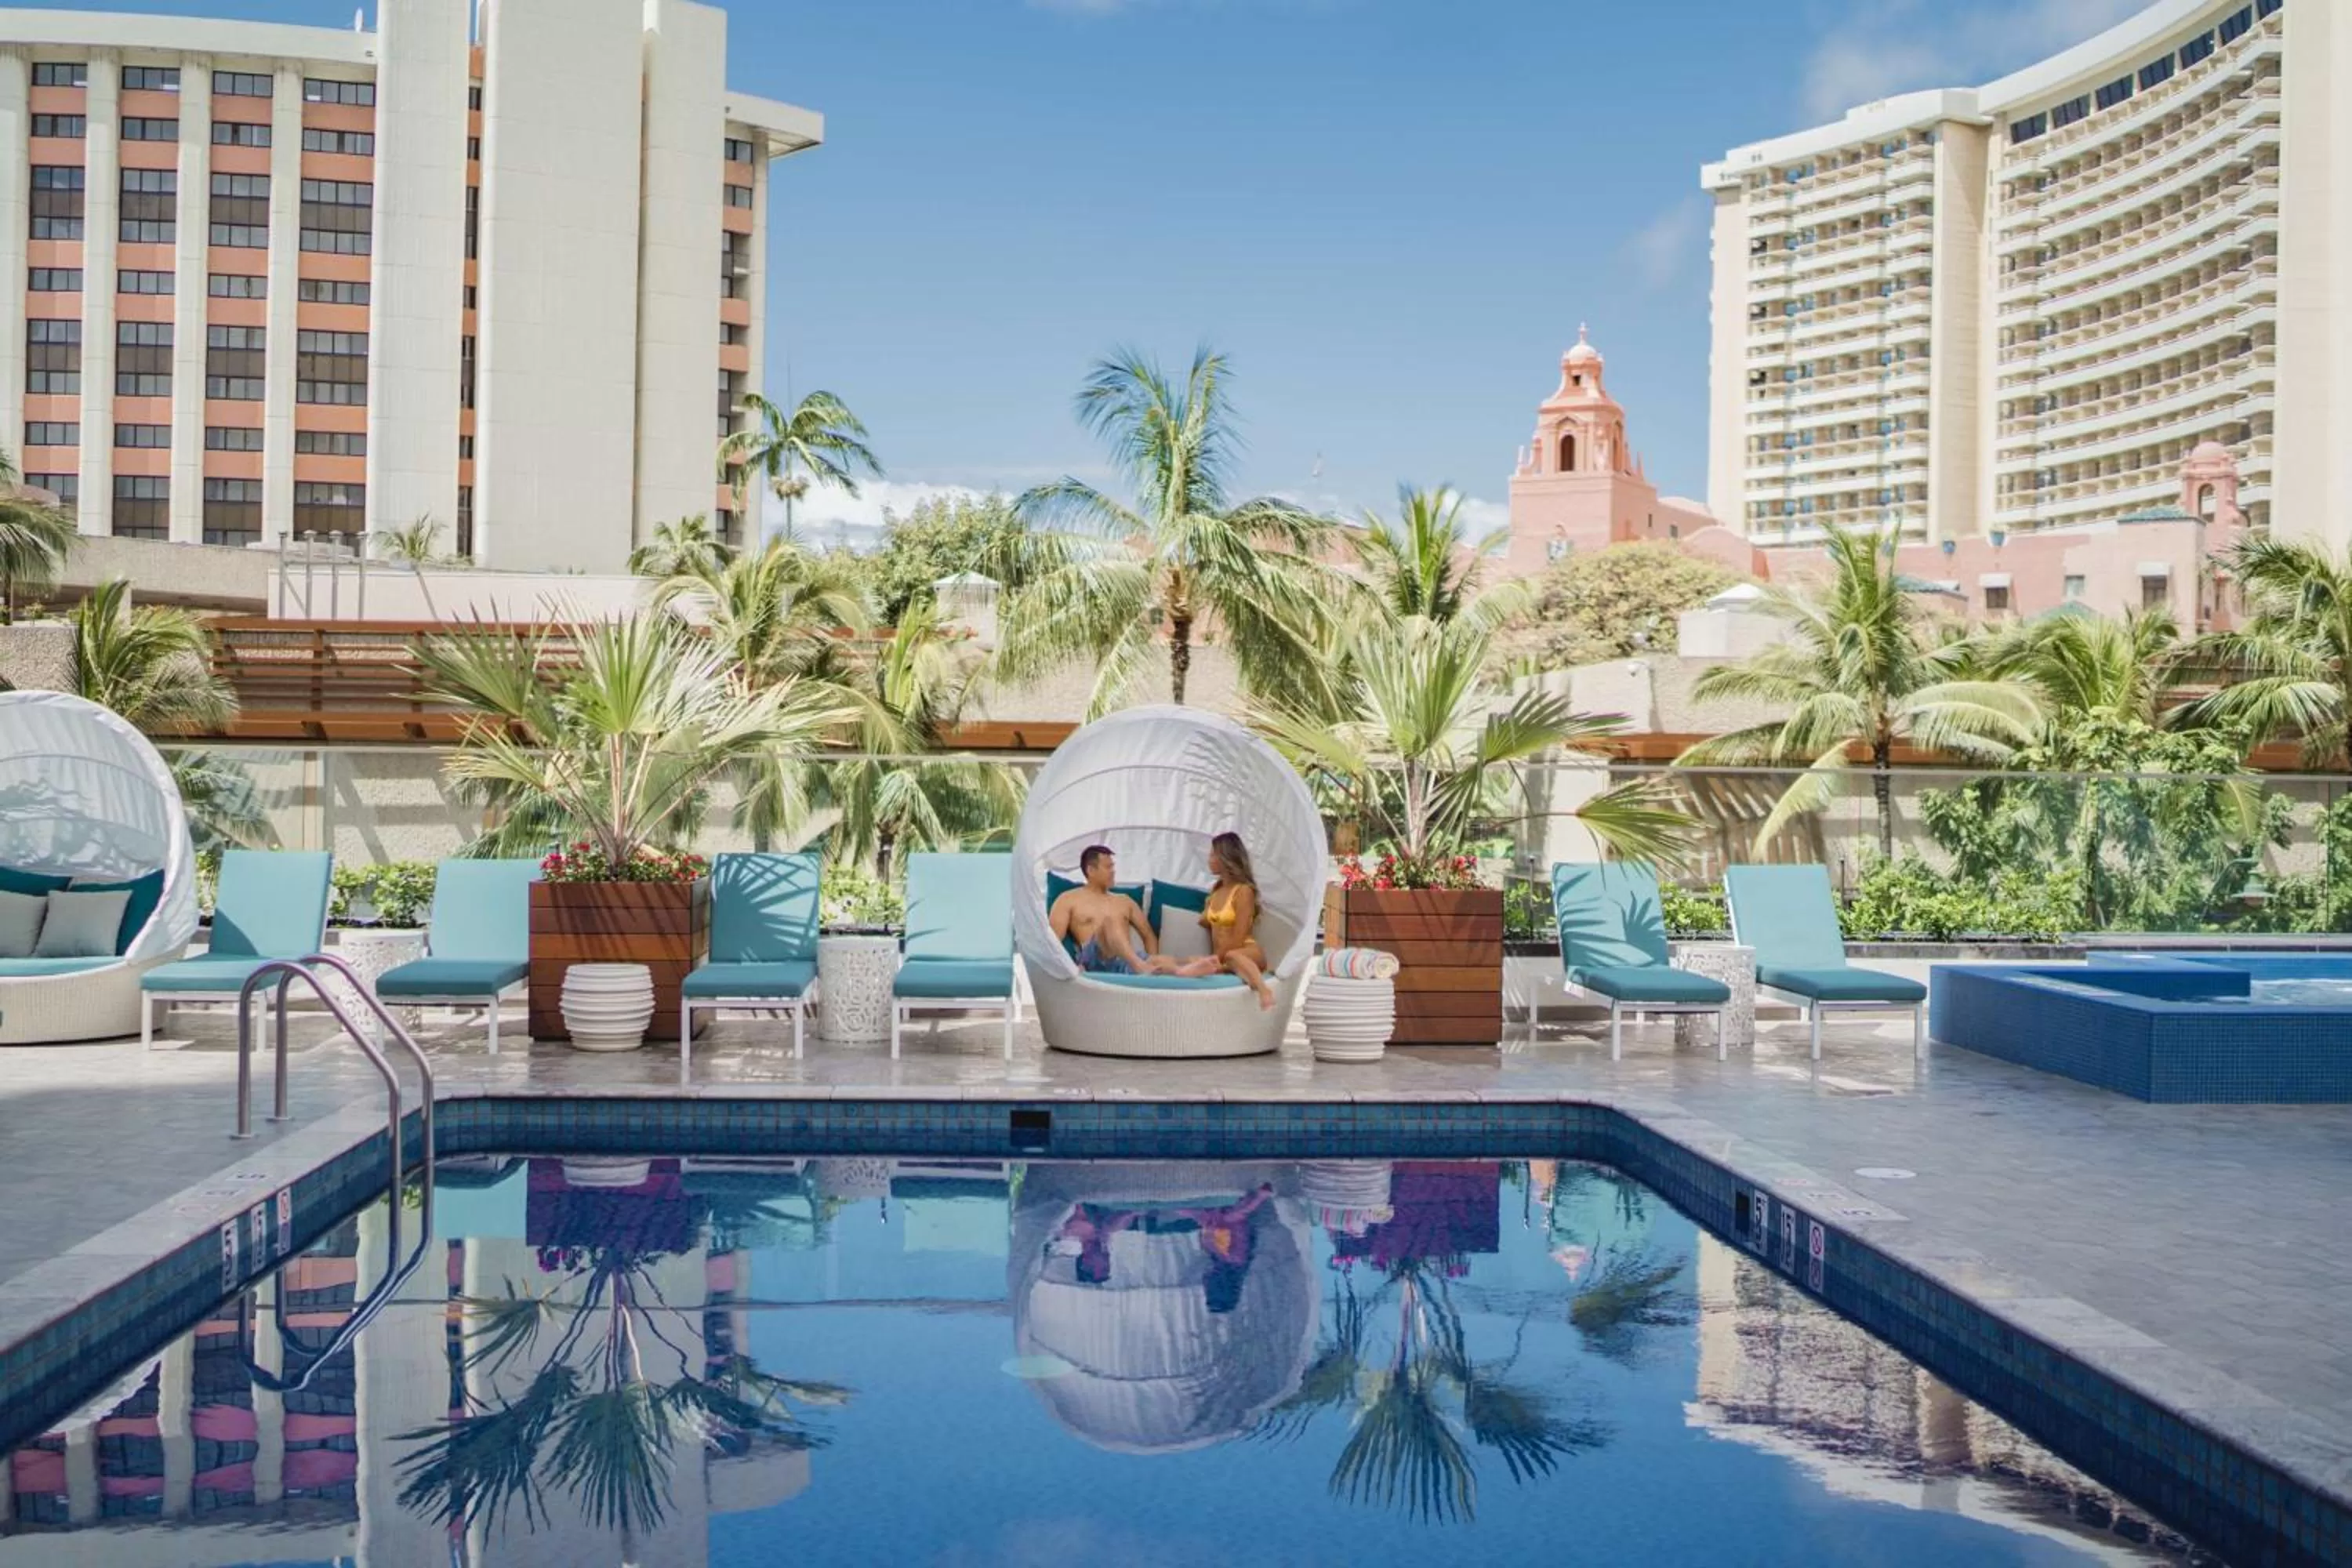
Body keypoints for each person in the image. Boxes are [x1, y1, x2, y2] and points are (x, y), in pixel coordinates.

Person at [1173, 832, 1277, 1010]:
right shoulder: (1217, 891)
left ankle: (1264, 991)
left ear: (1225, 858)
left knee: (1232, 956)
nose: (1209, 859)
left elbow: (1238, 938)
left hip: (1246, 952)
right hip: (1223, 958)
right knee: (1176, 961)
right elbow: (1206, 921)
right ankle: (1216, 967)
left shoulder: (1244, 892)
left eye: (1213, 854)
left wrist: (1215, 959)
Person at [1047, 844, 1175, 976]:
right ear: (1091, 870)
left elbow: (1148, 935)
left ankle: (1150, 970)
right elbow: (1052, 941)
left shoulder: (1125, 901)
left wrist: (1150, 962)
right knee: (1109, 922)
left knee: (1170, 962)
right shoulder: (1068, 899)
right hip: (1095, 963)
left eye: (1113, 866)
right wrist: (1071, 968)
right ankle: (1139, 966)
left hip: (1125, 963)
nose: (1113, 871)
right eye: (1108, 867)